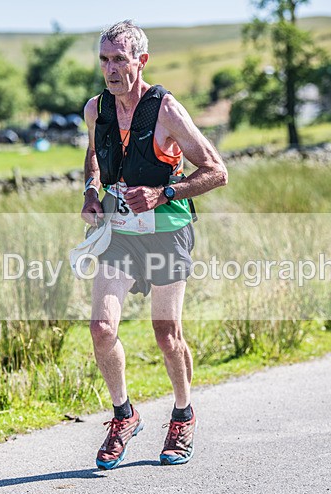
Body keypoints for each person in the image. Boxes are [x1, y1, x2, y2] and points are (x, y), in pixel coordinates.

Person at [80, 20, 228, 469]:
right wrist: (91, 191)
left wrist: (163, 192)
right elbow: (92, 154)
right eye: (105, 59)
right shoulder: (96, 109)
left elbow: (216, 171)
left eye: (119, 59)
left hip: (166, 231)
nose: (111, 68)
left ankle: (183, 414)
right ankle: (124, 415)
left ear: (140, 61)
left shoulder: (165, 110)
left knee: (166, 335)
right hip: (120, 234)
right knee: (102, 330)